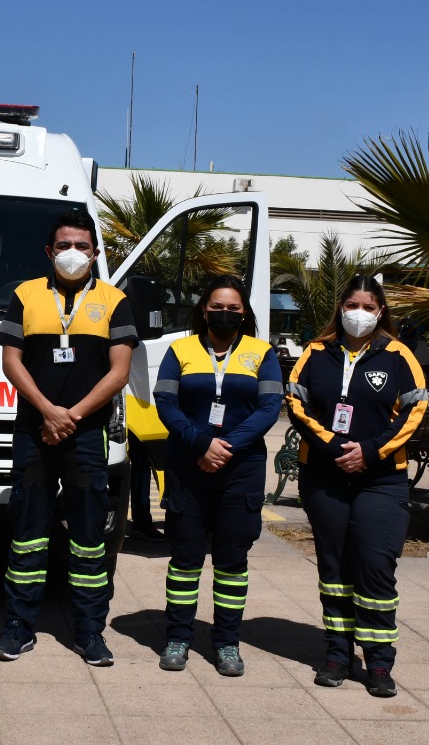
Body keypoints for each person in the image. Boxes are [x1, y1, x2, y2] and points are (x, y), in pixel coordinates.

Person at [0, 209, 138, 666]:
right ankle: (18, 626)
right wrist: (48, 411)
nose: (73, 253)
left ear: (95, 253)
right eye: (64, 246)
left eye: (82, 246)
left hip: (87, 434)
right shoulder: (26, 294)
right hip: (34, 431)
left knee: (89, 537)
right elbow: (11, 362)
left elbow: (119, 372)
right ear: (49, 251)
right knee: (28, 534)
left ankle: (90, 631)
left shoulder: (115, 301)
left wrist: (71, 415)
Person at [286, 275, 428, 698]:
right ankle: (337, 655)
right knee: (334, 569)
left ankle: (379, 662)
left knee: (375, 566)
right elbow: (296, 402)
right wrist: (333, 445)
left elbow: (415, 410)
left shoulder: (399, 355)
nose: (359, 313)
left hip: (381, 478)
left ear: (381, 312)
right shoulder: (316, 352)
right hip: (324, 474)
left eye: (368, 307)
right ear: (340, 308)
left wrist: (370, 450)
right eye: (352, 305)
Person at [152, 274, 283, 676]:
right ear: (204, 310)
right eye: (217, 307)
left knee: (232, 561)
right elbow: (165, 401)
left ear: (244, 313)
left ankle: (227, 642)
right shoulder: (180, 350)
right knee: (185, 558)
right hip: (189, 468)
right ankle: (178, 638)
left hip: (240, 470)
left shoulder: (262, 353)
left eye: (233, 308)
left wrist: (225, 447)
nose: (224, 314)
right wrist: (200, 443)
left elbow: (269, 406)